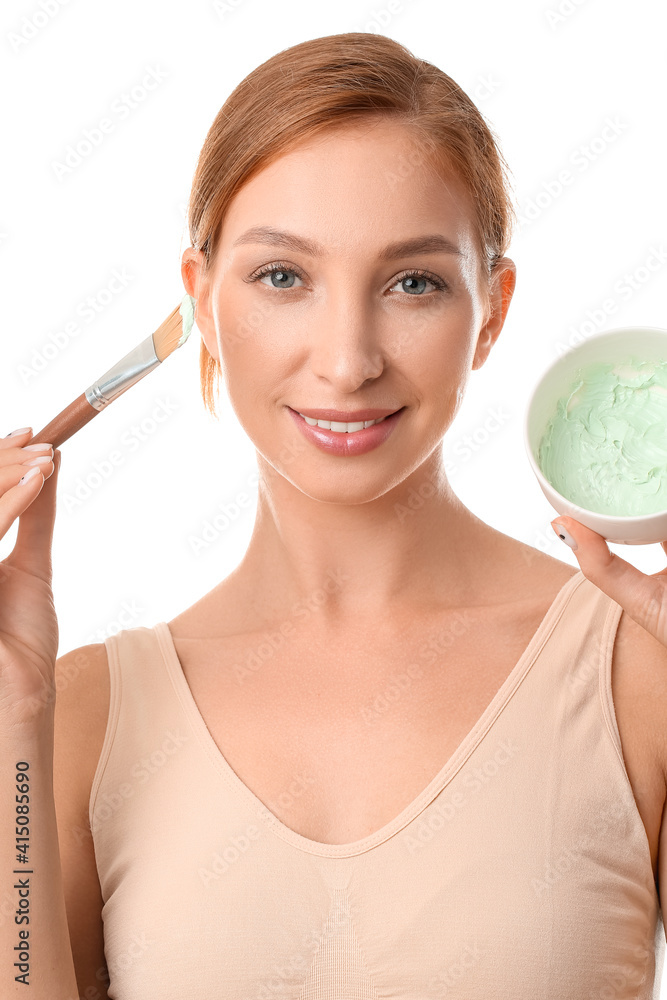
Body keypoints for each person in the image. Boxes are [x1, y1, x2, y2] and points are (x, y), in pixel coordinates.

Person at [1, 30, 666, 1000]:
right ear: (202, 302)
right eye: (282, 277)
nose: (348, 359)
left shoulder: (632, 667)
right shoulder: (82, 711)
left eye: (413, 283)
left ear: (491, 309)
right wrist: (14, 721)